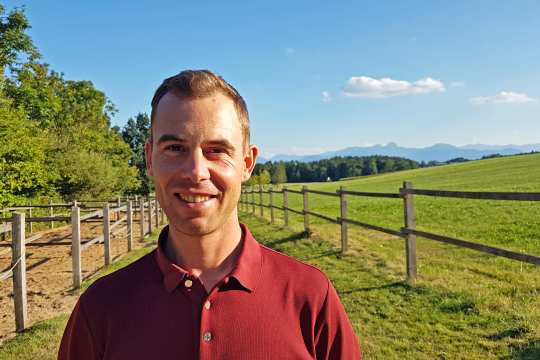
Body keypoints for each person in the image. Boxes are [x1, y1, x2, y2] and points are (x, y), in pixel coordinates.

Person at [58, 70, 361, 359]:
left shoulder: (311, 296)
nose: (196, 171)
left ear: (247, 163)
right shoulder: (99, 309)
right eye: (175, 148)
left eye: (216, 150)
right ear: (150, 160)